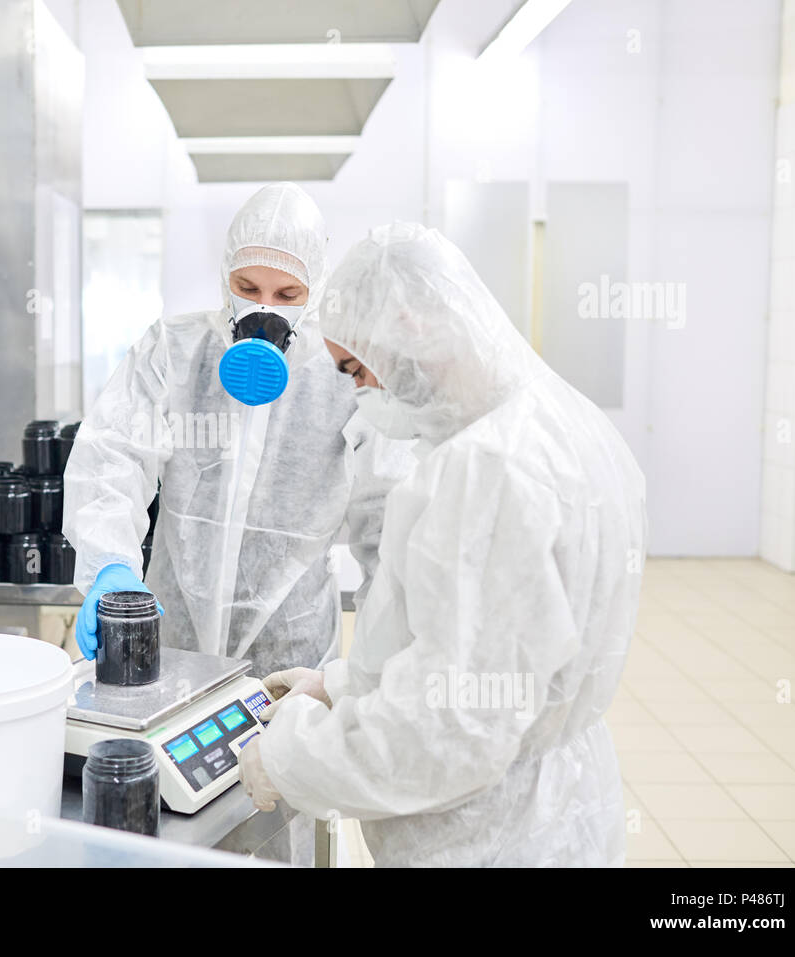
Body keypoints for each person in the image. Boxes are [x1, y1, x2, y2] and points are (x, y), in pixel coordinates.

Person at [238, 222, 646, 867]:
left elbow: (447, 731)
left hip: (488, 836)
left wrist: (289, 758)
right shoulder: (567, 419)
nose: (361, 392)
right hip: (562, 802)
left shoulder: (486, 470)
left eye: (355, 369)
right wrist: (345, 686)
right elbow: (494, 655)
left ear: (409, 327)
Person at [64, 182, 413, 679]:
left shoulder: (345, 373)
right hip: (174, 647)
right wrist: (111, 564)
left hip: (293, 662)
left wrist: (377, 670)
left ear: (314, 292)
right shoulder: (175, 350)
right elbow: (112, 457)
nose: (264, 309)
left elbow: (387, 524)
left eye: (287, 295)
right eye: (247, 289)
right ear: (224, 277)